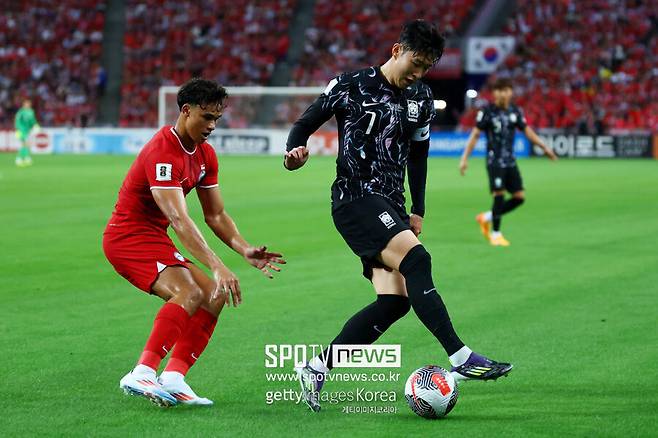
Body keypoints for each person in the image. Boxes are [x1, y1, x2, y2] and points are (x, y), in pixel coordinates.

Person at [284, 20, 512, 412]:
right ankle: (459, 358)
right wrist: (294, 152)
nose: (419, 73)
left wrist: (417, 209)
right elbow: (304, 124)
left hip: (390, 203)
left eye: (427, 67)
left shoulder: (421, 98)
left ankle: (316, 368)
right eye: (416, 63)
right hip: (355, 197)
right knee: (417, 259)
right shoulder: (349, 85)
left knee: (394, 302)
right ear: (396, 51)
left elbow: (419, 156)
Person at [103, 78, 285, 407]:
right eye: (207, 117)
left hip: (153, 236)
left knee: (213, 296)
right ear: (186, 111)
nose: (213, 125)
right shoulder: (162, 152)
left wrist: (243, 248)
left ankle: (173, 378)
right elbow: (179, 218)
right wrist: (217, 265)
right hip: (127, 236)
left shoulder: (205, 155)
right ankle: (142, 370)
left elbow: (215, 215)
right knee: (189, 291)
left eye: (217, 118)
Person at [460, 78, 557, 246]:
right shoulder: (488, 111)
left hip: (510, 161)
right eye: (499, 90)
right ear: (494, 93)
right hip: (495, 161)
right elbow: (475, 135)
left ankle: (487, 217)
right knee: (499, 194)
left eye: (506, 90)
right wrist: (464, 159)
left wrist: (544, 147)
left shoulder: (515, 111)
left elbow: (528, 132)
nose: (503, 93)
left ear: (511, 92)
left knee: (519, 197)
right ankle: (496, 234)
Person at [14, 99, 40, 167]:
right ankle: (21, 158)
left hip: (28, 130)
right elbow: (17, 120)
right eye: (26, 104)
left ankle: (24, 158)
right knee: (25, 144)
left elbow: (33, 120)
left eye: (29, 104)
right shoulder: (21, 112)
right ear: (24, 104)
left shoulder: (31, 112)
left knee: (25, 145)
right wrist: (18, 129)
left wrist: (36, 125)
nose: (28, 105)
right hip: (21, 130)